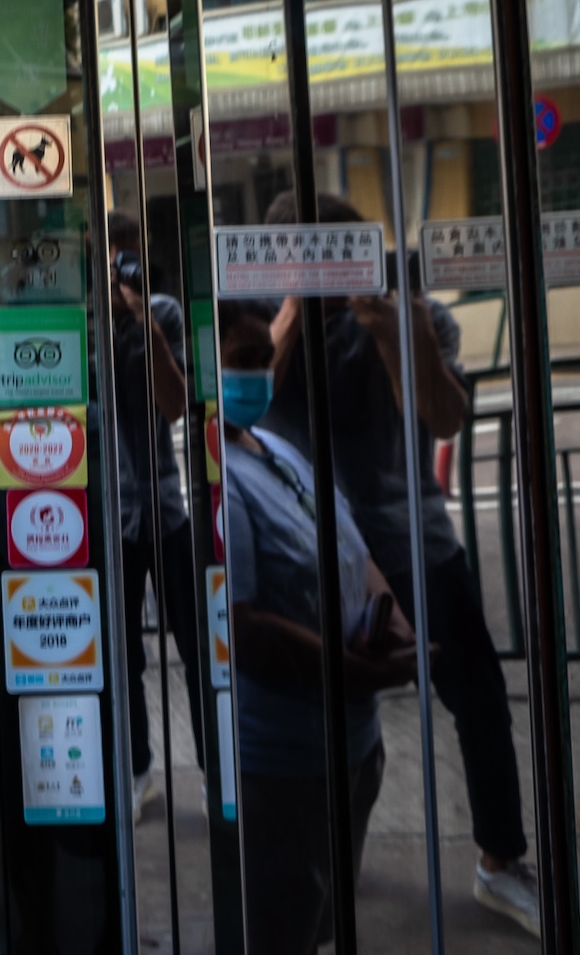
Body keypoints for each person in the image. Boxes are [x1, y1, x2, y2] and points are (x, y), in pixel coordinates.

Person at [257, 192, 546, 935]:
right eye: (312, 257)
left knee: (477, 695)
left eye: (344, 253)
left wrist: (395, 329)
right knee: (337, 717)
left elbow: (443, 417)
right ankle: (327, 869)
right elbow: (246, 419)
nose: (333, 271)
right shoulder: (274, 325)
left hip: (419, 539)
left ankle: (500, 858)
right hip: (329, 551)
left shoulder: (414, 315)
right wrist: (291, 313)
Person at [218, 296, 418, 955]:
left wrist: (398, 629)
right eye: (240, 361)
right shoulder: (218, 479)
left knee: (323, 916)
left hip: (354, 742)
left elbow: (354, 549)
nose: (259, 373)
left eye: (263, 358)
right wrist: (353, 668)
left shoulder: (275, 446)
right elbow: (245, 627)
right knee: (282, 926)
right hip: (285, 756)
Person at [106, 210, 204, 823]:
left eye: (128, 256)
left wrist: (144, 320)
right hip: (111, 512)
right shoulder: (81, 324)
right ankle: (138, 770)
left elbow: (174, 407)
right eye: (110, 259)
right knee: (122, 653)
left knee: (196, 643)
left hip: (164, 506)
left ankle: (218, 769)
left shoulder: (160, 313)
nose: (121, 269)